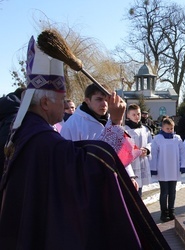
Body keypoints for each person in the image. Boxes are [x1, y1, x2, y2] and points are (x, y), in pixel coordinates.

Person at [0, 36, 169, 249]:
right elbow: (89, 170)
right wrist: (116, 123)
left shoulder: (26, 129)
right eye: (62, 100)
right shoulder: (41, 140)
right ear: (44, 103)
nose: (65, 106)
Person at [61, 83, 136, 180]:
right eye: (99, 99)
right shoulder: (73, 125)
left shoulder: (111, 120)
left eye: (106, 100)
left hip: (113, 179)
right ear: (87, 100)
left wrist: (130, 176)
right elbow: (69, 161)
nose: (104, 104)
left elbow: (120, 150)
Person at [150, 117, 185, 222]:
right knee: (164, 192)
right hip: (162, 169)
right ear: (162, 127)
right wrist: (153, 168)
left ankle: (171, 211)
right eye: (167, 128)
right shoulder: (158, 138)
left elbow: (183, 152)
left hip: (174, 168)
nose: (170, 130)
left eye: (171, 128)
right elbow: (154, 153)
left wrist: (184, 165)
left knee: (172, 191)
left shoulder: (177, 138)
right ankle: (163, 212)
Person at [124, 104, 153, 197]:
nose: (137, 117)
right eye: (134, 114)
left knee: (139, 190)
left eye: (138, 114)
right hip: (131, 164)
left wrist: (147, 150)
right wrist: (135, 152)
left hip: (142, 162)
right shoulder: (125, 130)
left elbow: (151, 142)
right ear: (128, 115)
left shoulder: (145, 129)